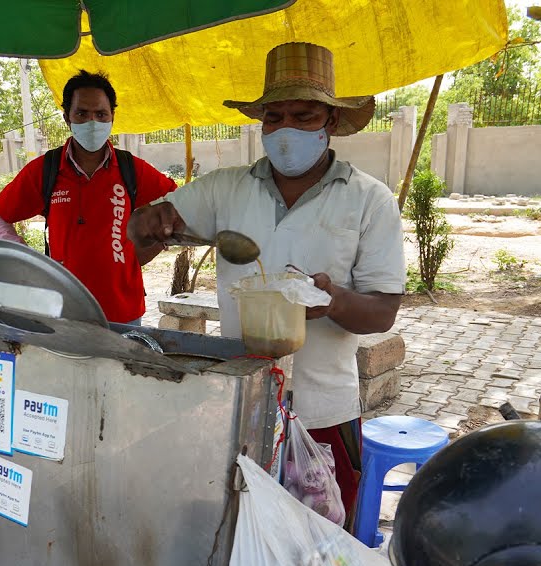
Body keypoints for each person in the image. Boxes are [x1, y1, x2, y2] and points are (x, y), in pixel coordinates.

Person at [128, 42, 406, 521]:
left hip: (324, 411)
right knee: (236, 531)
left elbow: (383, 312)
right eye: (274, 117)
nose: (286, 131)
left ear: (331, 123)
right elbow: (142, 236)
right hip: (238, 400)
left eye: (303, 116)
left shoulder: (369, 201)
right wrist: (148, 223)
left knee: (319, 551)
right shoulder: (226, 189)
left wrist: (333, 301)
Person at [0, 70, 179, 324]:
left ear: (112, 117)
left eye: (100, 114)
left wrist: (150, 248)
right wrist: (29, 263)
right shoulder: (47, 170)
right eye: (82, 114)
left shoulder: (132, 169)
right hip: (65, 315)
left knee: (121, 366)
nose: (92, 123)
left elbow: (178, 206)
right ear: (67, 117)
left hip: (123, 313)